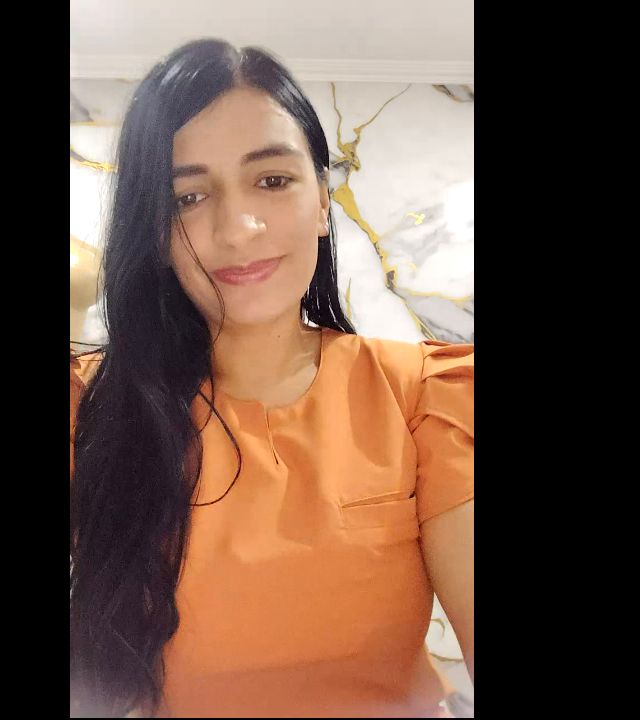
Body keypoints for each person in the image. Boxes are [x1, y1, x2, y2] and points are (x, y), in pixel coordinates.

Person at [70, 38, 473, 718]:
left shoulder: (429, 397)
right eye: (189, 196)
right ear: (156, 232)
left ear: (323, 201)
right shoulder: (91, 408)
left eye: (273, 180)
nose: (239, 228)